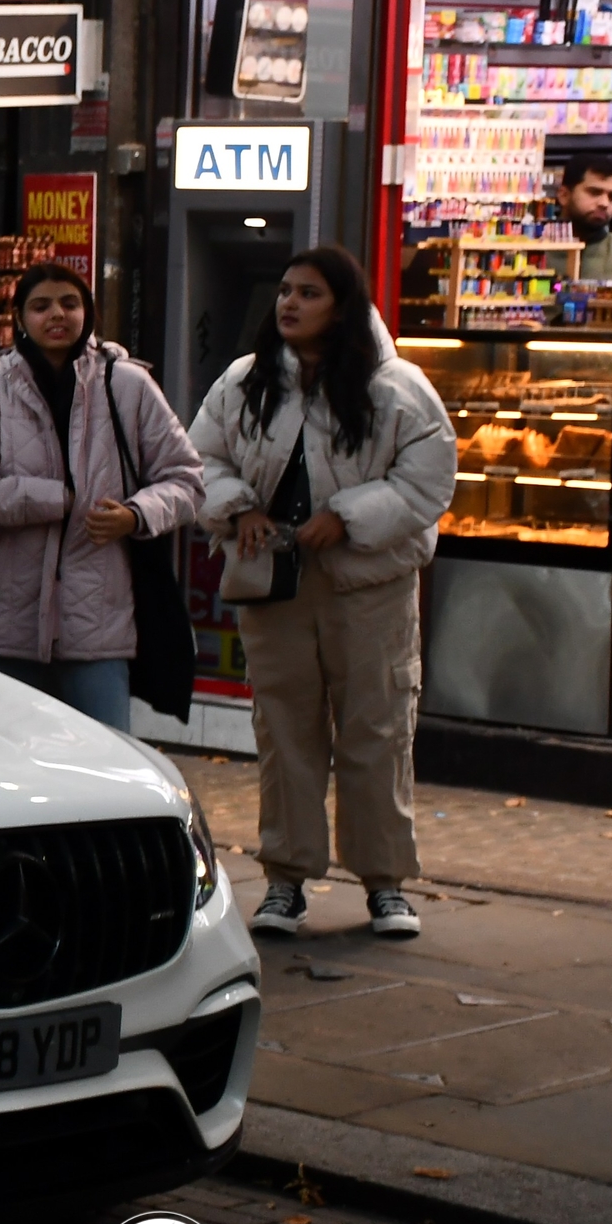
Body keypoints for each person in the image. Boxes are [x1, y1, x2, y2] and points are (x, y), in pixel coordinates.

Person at [189, 246, 455, 940]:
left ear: (342, 305)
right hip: (273, 582)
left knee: (378, 729)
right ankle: (286, 879)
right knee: (284, 734)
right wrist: (239, 508)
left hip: (370, 587)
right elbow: (200, 462)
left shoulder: (397, 388)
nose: (289, 303)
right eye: (283, 290)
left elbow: (428, 479)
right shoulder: (243, 383)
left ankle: (385, 884)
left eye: (308, 292)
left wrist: (353, 515)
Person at [0, 261, 202, 731]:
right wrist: (59, 499)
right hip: (2, 629)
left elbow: (187, 480)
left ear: (88, 311)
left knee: (107, 776)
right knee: (5, 777)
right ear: (20, 316)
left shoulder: (126, 383)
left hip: (97, 629)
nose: (57, 315)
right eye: (41, 306)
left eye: (70, 303)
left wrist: (136, 514)